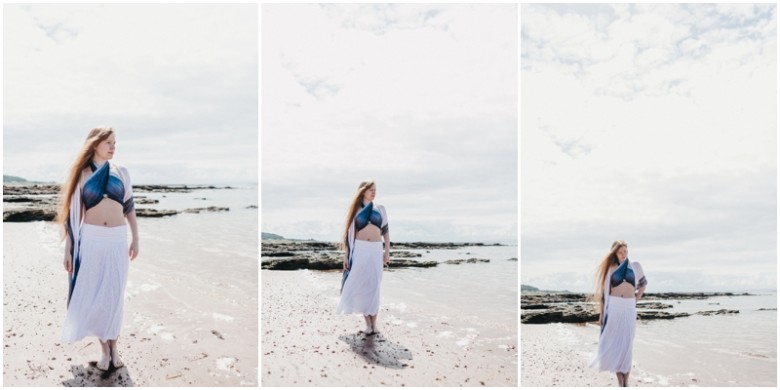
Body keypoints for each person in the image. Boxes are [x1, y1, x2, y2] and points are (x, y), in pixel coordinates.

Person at [56, 126, 139, 371]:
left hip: (117, 239)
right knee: (97, 295)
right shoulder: (81, 175)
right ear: (94, 144)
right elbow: (73, 216)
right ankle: (105, 349)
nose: (113, 147)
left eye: (115, 143)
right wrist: (68, 249)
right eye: (108, 143)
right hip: (91, 239)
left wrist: (136, 238)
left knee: (114, 295)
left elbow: (129, 208)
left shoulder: (121, 172)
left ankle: (115, 347)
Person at [589, 240, 647, 387]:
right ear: (615, 253)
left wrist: (636, 299)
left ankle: (625, 380)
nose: (623, 254)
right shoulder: (610, 268)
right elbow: (604, 294)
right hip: (613, 307)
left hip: (629, 308)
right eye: (620, 252)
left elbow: (644, 283)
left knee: (627, 344)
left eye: (625, 252)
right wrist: (601, 315)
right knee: (615, 344)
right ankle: (620, 380)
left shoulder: (635, 266)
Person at [336, 180, 390, 335]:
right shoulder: (355, 210)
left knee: (374, 286)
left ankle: (375, 324)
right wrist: (347, 256)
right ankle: (368, 324)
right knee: (361, 286)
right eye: (371, 190)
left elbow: (386, 232)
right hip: (359, 250)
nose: (374, 192)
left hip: (375, 250)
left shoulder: (380, 209)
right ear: (363, 191)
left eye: (375, 190)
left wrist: (387, 251)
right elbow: (348, 235)